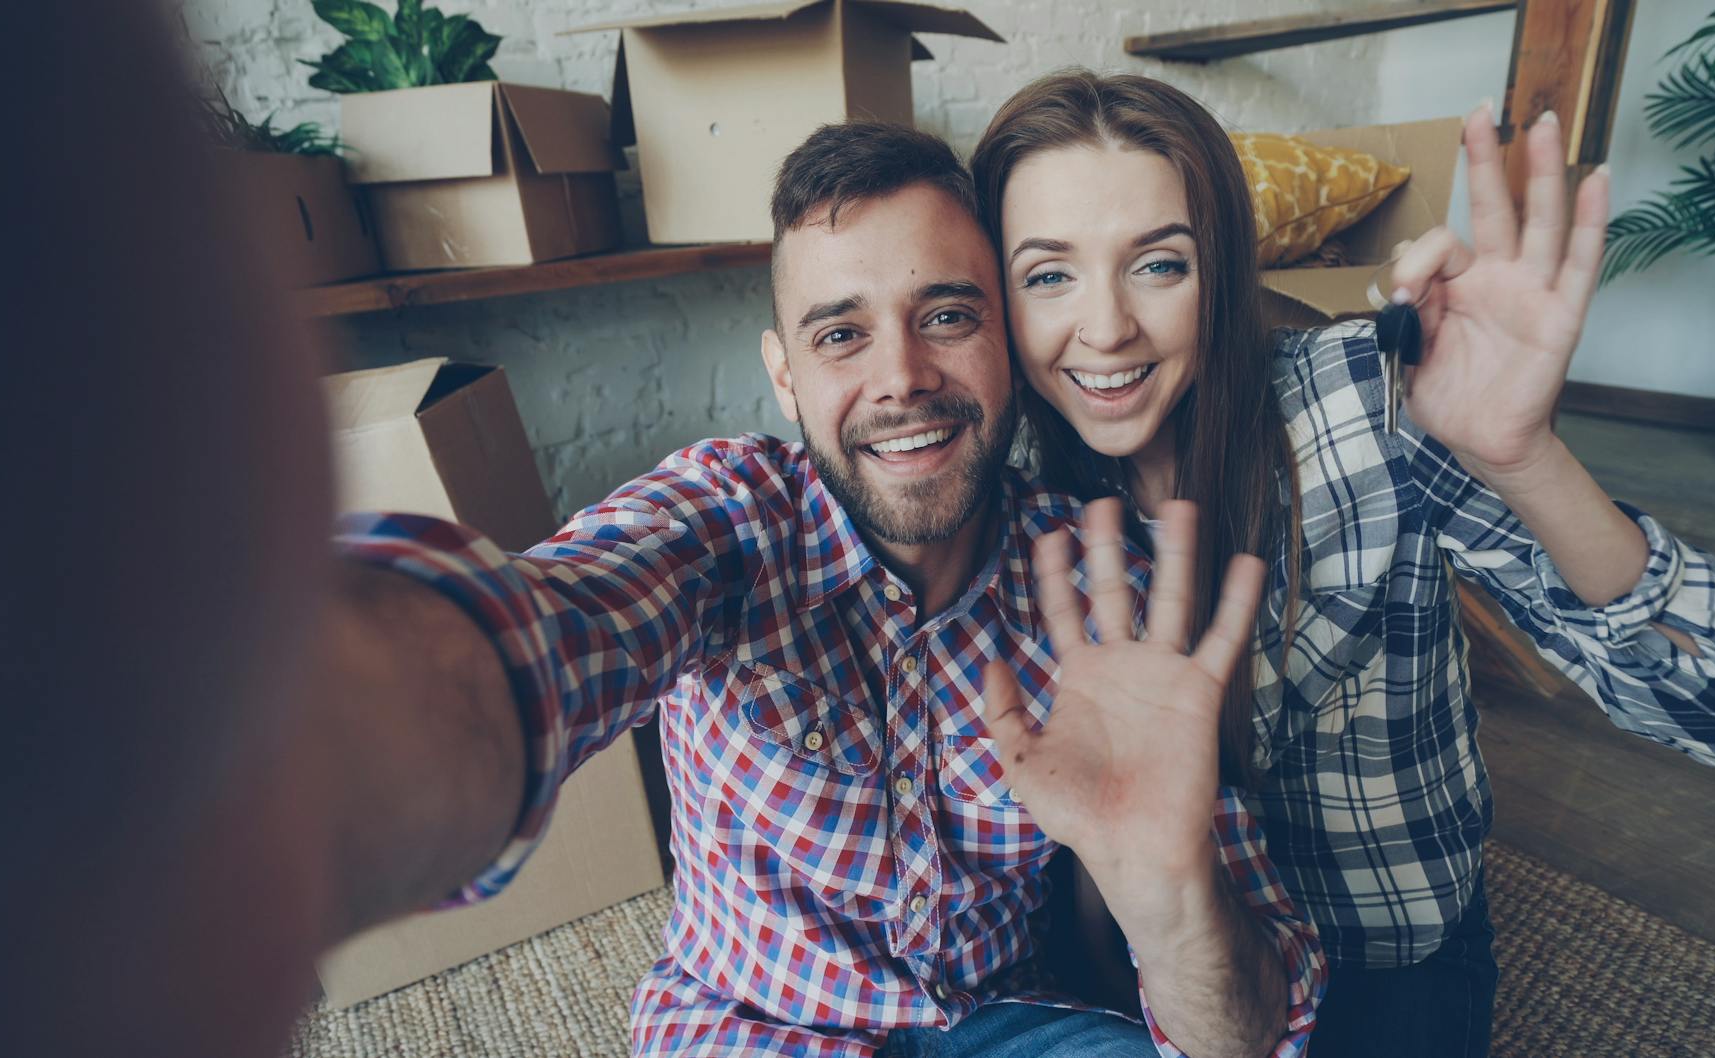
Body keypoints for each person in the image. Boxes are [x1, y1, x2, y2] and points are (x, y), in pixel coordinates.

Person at [327, 122, 1324, 1058]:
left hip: (1002, 1017)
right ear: (785, 377)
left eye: (944, 315)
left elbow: (1239, 1033)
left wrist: (1168, 884)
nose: (901, 375)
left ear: (1009, 350)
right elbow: (558, 620)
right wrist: (376, 699)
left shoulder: (1099, 593)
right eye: (840, 334)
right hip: (750, 1023)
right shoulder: (724, 517)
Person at [969, 71, 1715, 1057]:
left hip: (1380, 954)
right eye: (1047, 274)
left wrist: (1523, 459)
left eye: (1157, 264)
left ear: (1221, 271)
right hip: (1158, 956)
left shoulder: (1366, 406)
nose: (1104, 328)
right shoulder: (1015, 501)